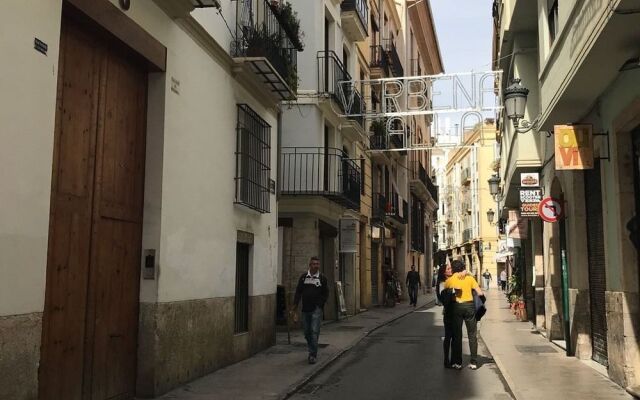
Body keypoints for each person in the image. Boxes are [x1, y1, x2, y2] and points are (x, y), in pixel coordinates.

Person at [445, 260, 484, 370]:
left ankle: (458, 362)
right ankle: (474, 362)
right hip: (469, 307)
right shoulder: (470, 278)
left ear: (453, 269)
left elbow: (445, 294)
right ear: (462, 267)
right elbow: (480, 293)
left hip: (456, 307)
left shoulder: (450, 280)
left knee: (457, 336)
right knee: (472, 335)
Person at [293, 256, 329, 364]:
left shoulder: (322, 278)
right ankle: (311, 347)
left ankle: (312, 354)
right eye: (314, 264)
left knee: (314, 331)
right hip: (305, 308)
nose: (316, 266)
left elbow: (326, 293)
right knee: (306, 332)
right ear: (310, 265)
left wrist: (320, 304)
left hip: (316, 309)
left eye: (317, 264)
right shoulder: (304, 277)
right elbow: (298, 291)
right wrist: (295, 305)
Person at [437, 262, 455, 368]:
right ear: (444, 272)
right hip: (448, 312)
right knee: (448, 336)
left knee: (455, 337)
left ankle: (453, 359)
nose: (450, 270)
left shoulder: (453, 280)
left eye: (451, 268)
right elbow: (443, 299)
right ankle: (446, 359)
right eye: (448, 269)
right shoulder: (442, 283)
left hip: (455, 311)